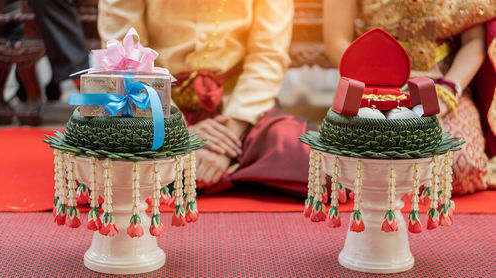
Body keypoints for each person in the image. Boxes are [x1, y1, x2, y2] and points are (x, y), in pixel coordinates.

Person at [97, 0, 313, 195]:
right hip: (154, 110)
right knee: (100, 156)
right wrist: (181, 134)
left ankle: (180, 171)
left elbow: (268, 57)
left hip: (237, 111)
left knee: (309, 158)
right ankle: (227, 174)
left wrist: (228, 138)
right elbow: (126, 62)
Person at [323, 0, 496, 194]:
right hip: (375, 82)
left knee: (458, 167)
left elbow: (474, 40)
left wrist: (445, 94)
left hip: (444, 81)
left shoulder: (445, 88)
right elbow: (336, 40)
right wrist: (380, 88)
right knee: (361, 162)